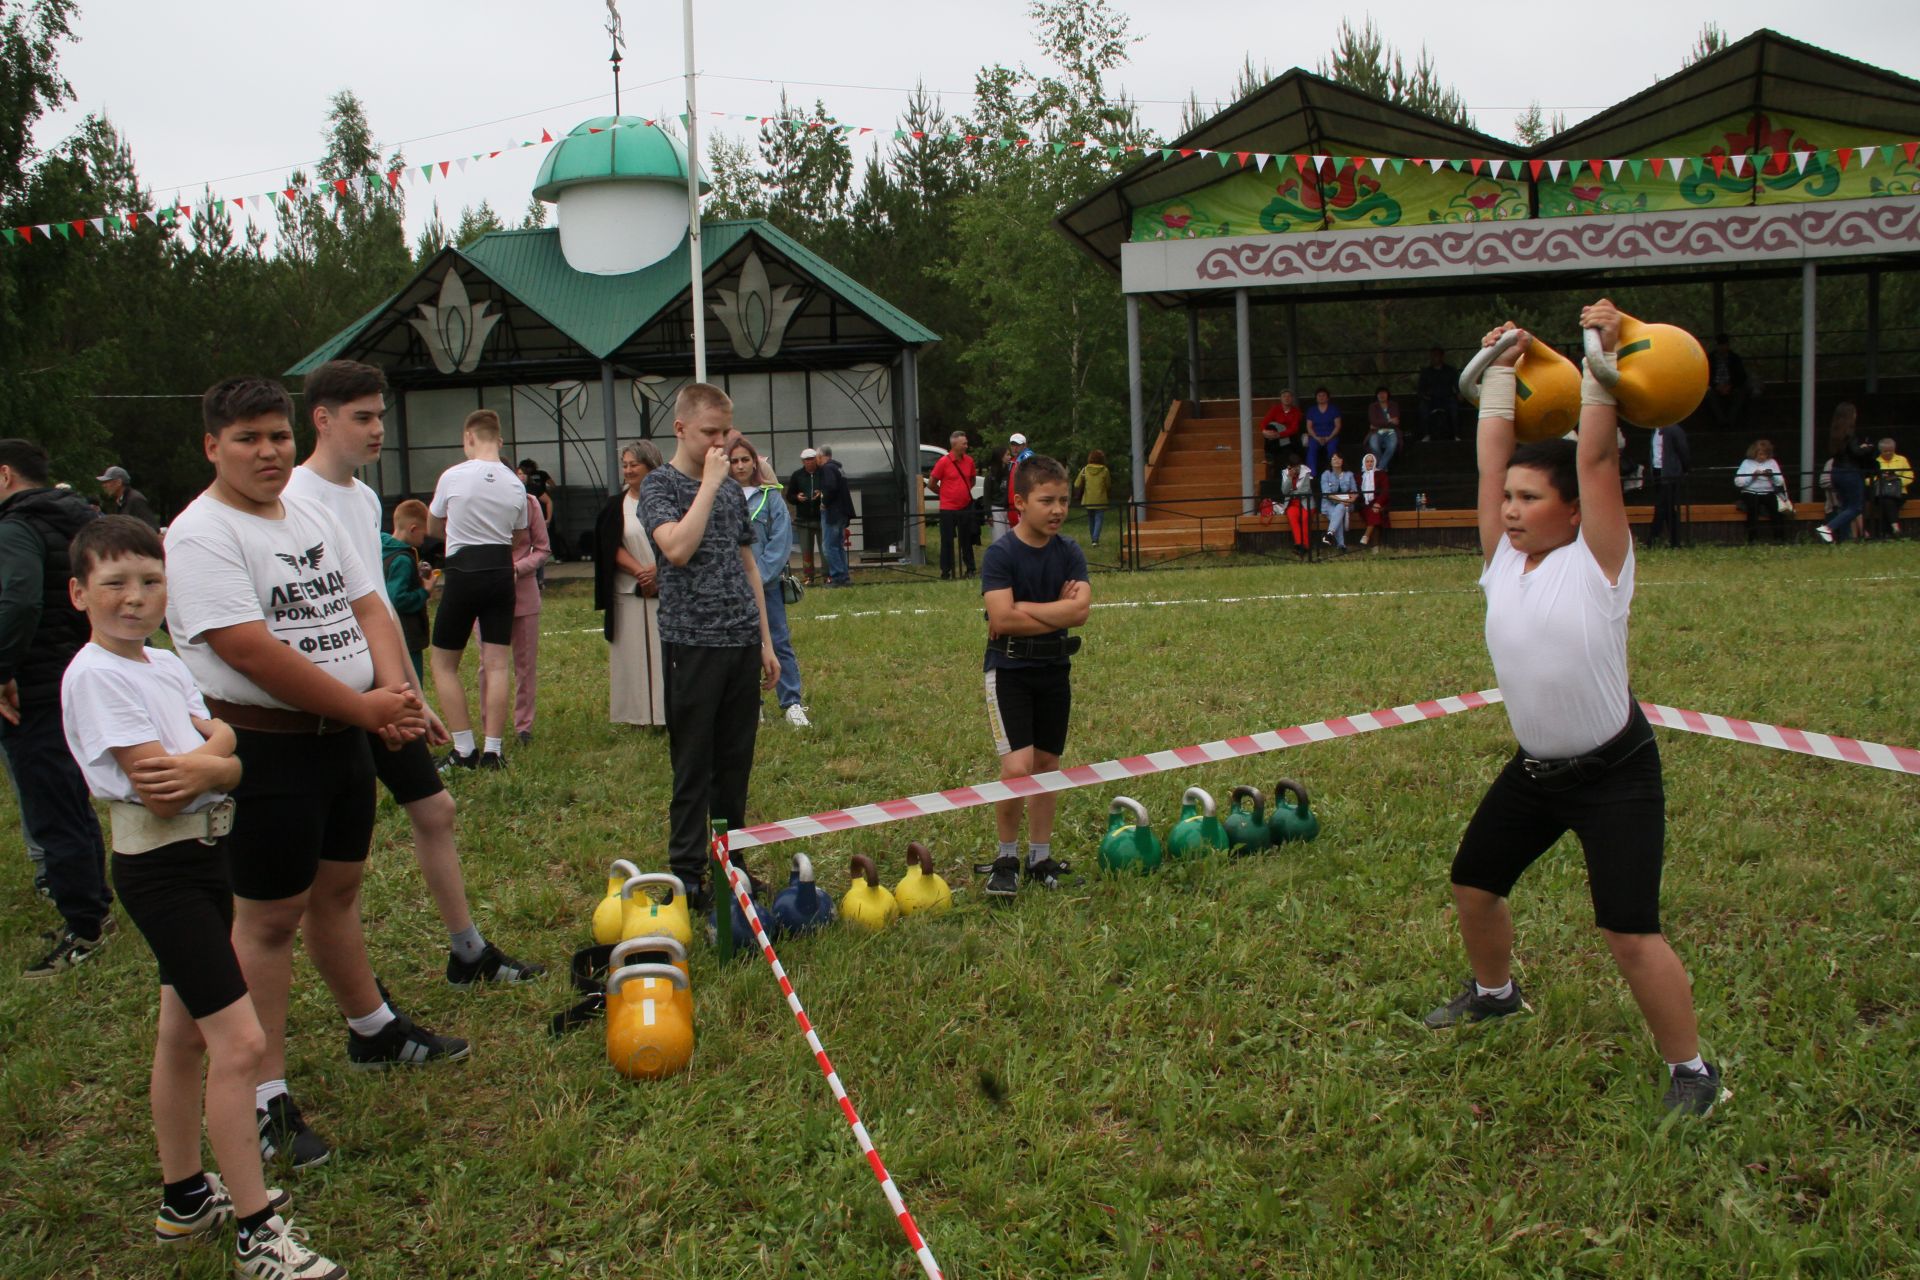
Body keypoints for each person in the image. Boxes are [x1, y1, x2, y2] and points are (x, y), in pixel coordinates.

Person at [1426, 301, 1723, 1118]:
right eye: (1510, 498)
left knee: (1629, 933)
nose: (1512, 509)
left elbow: (1595, 456)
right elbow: (1490, 463)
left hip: (1615, 774)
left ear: (1570, 506)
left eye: (1530, 498)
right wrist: (1498, 375)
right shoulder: (1500, 565)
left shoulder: (1598, 564)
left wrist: (1603, 348)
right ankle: (1495, 995)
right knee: (1475, 883)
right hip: (1535, 772)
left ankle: (1694, 1072)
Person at [166, 376, 466, 1175]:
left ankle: (371, 1029)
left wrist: (391, 695)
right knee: (266, 922)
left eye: (275, 435)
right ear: (212, 447)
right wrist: (367, 707)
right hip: (268, 750)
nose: (267, 452)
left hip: (343, 737)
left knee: (339, 889)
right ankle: (264, 1096)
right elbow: (248, 650)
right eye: (246, 439)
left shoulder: (306, 511)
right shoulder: (200, 534)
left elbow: (368, 604)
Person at [60, 516, 344, 1277]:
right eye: (115, 583)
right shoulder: (94, 675)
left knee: (182, 1035)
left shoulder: (160, 663)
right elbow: (161, 782)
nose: (135, 598)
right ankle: (258, 1231)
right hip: (162, 871)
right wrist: (217, 760)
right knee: (242, 1043)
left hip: (205, 859)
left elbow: (222, 748)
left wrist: (216, 761)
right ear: (79, 592)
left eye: (150, 582)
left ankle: (186, 1197)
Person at [291, 360, 544, 991]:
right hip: (333, 701)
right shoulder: (294, 498)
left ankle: (467, 954)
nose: (379, 429)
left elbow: (373, 601)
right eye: (364, 418)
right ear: (322, 420)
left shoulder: (365, 495)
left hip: (382, 688)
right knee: (325, 875)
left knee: (435, 809)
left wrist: (408, 689)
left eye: (381, 416)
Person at [639, 384, 780, 910]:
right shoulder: (661, 486)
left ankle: (731, 863)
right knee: (693, 762)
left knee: (735, 761)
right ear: (681, 429)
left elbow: (748, 565)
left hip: (740, 640)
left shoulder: (728, 489)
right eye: (710, 433)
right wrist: (710, 484)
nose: (721, 443)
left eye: (727, 432)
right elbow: (675, 548)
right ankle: (688, 874)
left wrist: (765, 641)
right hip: (691, 644)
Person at [0, 437, 111, 976]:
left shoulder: (15, 527)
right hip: (77, 675)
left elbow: (18, 597)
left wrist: (2, 669)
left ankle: (84, 927)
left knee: (50, 807)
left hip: (35, 687)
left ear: (4, 477)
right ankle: (93, 905)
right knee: (71, 798)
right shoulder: (78, 520)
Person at [976, 454, 1090, 900]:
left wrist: (1024, 610)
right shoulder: (1001, 554)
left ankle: (1040, 857)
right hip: (1009, 672)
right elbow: (1001, 621)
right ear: (1020, 502)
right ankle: (1006, 857)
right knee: (1017, 768)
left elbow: (1080, 612)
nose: (1058, 509)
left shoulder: (1070, 552)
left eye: (1063, 500)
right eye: (1047, 500)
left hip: (1054, 671)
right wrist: (1045, 613)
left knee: (1047, 767)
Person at [428, 409, 529, 769]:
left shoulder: (453, 476)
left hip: (463, 570)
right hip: (502, 572)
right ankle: (494, 750)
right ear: (499, 439)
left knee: (443, 663)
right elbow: (519, 535)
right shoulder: (516, 483)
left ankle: (464, 748)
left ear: (468, 437)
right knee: (498, 663)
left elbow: (433, 525)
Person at [730, 431, 808, 728]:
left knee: (778, 641)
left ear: (755, 462)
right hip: (732, 590)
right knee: (741, 648)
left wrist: (760, 577)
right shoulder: (720, 496)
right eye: (734, 460)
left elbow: (780, 541)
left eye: (745, 460)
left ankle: (792, 703)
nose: (739, 466)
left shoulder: (771, 496)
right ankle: (752, 705)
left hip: (768, 587)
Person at [594, 442, 668, 728]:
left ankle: (666, 714)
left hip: (668, 586)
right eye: (624, 465)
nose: (627, 470)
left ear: (651, 465)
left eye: (633, 464)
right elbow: (608, 544)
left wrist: (660, 571)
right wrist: (640, 572)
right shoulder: (615, 505)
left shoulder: (671, 500)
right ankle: (636, 715)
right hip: (628, 590)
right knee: (632, 655)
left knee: (666, 652)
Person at [476, 490, 550, 745]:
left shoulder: (529, 503)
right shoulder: (474, 502)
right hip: (486, 594)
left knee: (525, 665)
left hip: (524, 595)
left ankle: (524, 727)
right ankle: (490, 726)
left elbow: (542, 549)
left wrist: (518, 568)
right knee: (488, 665)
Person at [382, 499, 433, 684]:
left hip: (387, 634)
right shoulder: (402, 560)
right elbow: (398, 598)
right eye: (423, 535)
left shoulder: (382, 547)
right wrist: (424, 591)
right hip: (407, 635)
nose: (424, 541)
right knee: (412, 682)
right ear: (413, 529)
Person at [1815, 403, 1877, 544]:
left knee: (1845, 507)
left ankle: (1844, 539)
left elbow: (1845, 452)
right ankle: (1828, 527)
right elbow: (1856, 453)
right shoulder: (1850, 434)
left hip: (1836, 472)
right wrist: (1867, 449)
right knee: (1856, 507)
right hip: (1850, 473)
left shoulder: (1836, 434)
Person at [931, 431, 978, 577]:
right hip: (947, 508)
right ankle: (946, 570)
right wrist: (945, 494)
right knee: (947, 540)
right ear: (955, 445)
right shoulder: (943, 462)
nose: (966, 445)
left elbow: (972, 480)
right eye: (964, 443)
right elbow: (932, 483)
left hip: (965, 506)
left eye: (966, 442)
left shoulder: (969, 461)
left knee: (966, 540)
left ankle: (970, 569)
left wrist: (962, 492)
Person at [1732, 439, 1792, 544]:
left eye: (1765, 454)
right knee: (1752, 509)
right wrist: (1752, 476)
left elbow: (1780, 481)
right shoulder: (1746, 463)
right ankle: (1752, 539)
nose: (1762, 457)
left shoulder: (1772, 462)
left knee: (1776, 511)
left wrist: (1772, 476)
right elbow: (1738, 482)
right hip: (1750, 492)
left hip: (1768, 492)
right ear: (1754, 453)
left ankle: (1779, 538)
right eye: (1760, 454)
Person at [1644, 421, 1690, 550]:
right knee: (1668, 508)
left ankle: (1652, 540)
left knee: (1661, 506)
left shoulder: (1674, 430)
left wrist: (1684, 469)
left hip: (1670, 473)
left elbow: (1683, 450)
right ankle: (1675, 541)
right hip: (1658, 471)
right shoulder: (1654, 430)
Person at [785, 448, 825, 585]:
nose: (809, 462)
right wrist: (797, 497)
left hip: (821, 518)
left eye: (812, 459)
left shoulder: (823, 473)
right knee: (806, 550)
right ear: (803, 461)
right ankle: (809, 576)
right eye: (806, 460)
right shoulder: (797, 475)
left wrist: (821, 494)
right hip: (803, 519)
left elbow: (830, 489)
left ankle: (827, 575)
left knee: (824, 549)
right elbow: (789, 496)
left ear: (816, 459)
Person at [817, 444, 854, 586]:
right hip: (843, 511)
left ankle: (837, 576)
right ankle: (844, 576)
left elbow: (831, 487)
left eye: (817, 457)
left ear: (821, 456)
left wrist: (824, 502)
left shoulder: (827, 468)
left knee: (829, 546)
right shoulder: (838, 468)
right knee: (838, 545)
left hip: (833, 512)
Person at [1706, 334, 1750, 433]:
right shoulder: (1710, 358)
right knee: (1709, 395)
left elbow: (1742, 376)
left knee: (1740, 394)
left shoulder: (1735, 358)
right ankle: (1722, 421)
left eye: (1724, 345)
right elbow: (1706, 375)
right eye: (1720, 345)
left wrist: (1730, 386)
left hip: (1732, 387)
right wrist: (1716, 386)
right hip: (1715, 387)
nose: (1722, 347)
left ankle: (1730, 421)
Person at [1870, 437, 1912, 538]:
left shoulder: (1902, 460)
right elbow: (1867, 479)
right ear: (1880, 451)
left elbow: (1910, 476)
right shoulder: (1875, 461)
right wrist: (1880, 478)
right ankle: (1895, 529)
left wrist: (1895, 481)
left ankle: (1886, 533)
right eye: (1885, 451)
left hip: (1899, 493)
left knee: (1887, 502)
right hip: (1881, 492)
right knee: (1886, 500)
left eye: (1891, 451)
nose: (1888, 453)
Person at [97, 464, 162, 529]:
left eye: (107, 482)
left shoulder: (135, 500)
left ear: (119, 482)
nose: (104, 485)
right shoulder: (121, 501)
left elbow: (152, 527)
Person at [1417, 347, 1460, 441]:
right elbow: (1420, 389)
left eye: (1436, 356)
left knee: (1454, 409)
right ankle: (1426, 434)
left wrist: (1459, 394)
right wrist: (1424, 396)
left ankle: (1456, 435)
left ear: (1441, 356)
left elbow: (1457, 385)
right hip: (1431, 399)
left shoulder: (1450, 370)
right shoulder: (1426, 372)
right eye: (1432, 356)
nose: (1433, 358)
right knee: (1422, 408)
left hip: (1447, 398)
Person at [1318, 451, 1357, 550]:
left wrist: (1349, 501)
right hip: (1329, 504)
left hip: (1346, 505)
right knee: (1337, 515)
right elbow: (1327, 494)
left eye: (1338, 458)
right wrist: (1341, 500)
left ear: (1342, 461)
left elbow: (1355, 492)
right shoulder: (1325, 474)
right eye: (1334, 458)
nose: (1336, 460)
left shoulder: (1349, 474)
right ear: (1330, 461)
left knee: (1340, 508)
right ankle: (1341, 545)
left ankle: (1329, 535)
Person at [1073, 448, 1111, 548]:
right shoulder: (1105, 470)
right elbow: (1108, 485)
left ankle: (1093, 540)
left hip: (1088, 500)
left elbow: (1076, 483)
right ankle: (1095, 539)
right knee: (1098, 519)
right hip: (1100, 500)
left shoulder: (1085, 469)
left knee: (1091, 519)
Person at [1260, 390, 1303, 475]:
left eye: (1289, 396)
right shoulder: (1275, 409)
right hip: (1275, 438)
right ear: (1280, 398)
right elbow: (1264, 422)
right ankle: (1269, 455)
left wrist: (1279, 435)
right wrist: (1264, 431)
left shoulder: (1296, 412)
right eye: (1284, 396)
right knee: (1270, 427)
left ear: (1292, 399)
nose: (1286, 398)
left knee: (1285, 452)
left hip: (1289, 437)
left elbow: (1294, 429)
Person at [1280, 452, 1314, 554]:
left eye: (1298, 466)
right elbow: (1284, 491)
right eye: (1294, 467)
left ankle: (1306, 546)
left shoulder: (1306, 471)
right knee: (1292, 517)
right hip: (1292, 503)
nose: (1297, 469)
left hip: (1306, 503)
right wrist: (1290, 478)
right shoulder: (1285, 473)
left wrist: (1292, 492)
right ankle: (1299, 544)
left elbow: (1305, 490)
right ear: (1289, 467)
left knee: (1304, 519)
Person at [1303, 388, 1341, 476]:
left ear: (1328, 397)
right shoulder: (1311, 410)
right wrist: (1316, 437)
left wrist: (1329, 437)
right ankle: (1312, 474)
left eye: (1323, 395)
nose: (1321, 397)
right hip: (1315, 436)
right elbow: (1309, 427)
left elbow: (1338, 426)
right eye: (1319, 396)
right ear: (1316, 398)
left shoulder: (1334, 409)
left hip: (1331, 436)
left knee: (1332, 449)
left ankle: (1332, 472)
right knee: (1311, 449)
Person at [1358, 452, 1390, 549]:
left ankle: (1366, 536)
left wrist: (1378, 503)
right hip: (1365, 504)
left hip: (1379, 503)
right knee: (1374, 514)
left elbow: (1385, 491)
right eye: (1367, 461)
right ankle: (1375, 547)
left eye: (1372, 461)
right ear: (1364, 463)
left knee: (1375, 512)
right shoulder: (1359, 476)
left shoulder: (1381, 474)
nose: (1370, 463)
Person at [1365, 387, 1402, 473]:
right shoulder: (1373, 406)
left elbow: (1396, 421)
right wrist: (1389, 420)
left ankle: (1380, 468)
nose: (1382, 395)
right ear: (1377, 395)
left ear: (1388, 394)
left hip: (1391, 431)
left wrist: (1378, 424)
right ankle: (1383, 468)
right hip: (1376, 432)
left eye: (1384, 393)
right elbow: (1373, 421)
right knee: (1373, 445)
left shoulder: (1394, 405)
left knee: (1392, 445)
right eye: (1380, 393)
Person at [985, 444, 1015, 543]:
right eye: (1007, 454)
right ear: (1000, 456)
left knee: (1011, 538)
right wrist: (988, 514)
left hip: (1009, 509)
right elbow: (987, 496)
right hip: (996, 510)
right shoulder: (990, 476)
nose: (1009, 457)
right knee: (999, 539)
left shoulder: (1010, 472)